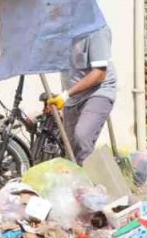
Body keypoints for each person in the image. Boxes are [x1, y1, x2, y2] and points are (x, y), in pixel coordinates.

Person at [46, 25, 116, 164]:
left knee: (82, 136)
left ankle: (89, 176)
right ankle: (82, 176)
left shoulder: (97, 30)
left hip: (97, 92)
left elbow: (99, 74)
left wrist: (65, 95)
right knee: (71, 151)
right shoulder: (64, 31)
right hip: (72, 97)